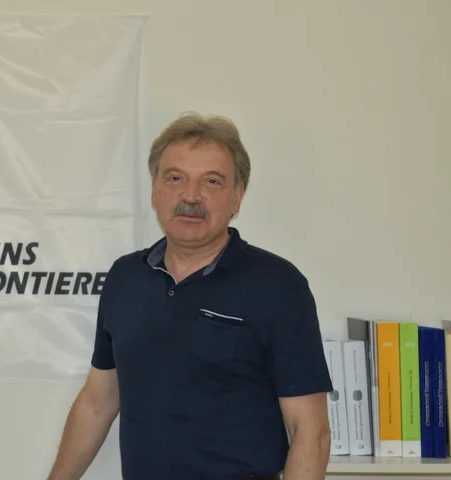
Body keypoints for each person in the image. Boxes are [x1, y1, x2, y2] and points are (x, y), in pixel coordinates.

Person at [46, 113, 333, 480]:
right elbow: (97, 403)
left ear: (236, 198)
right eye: (175, 178)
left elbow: (310, 431)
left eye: (212, 181)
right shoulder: (124, 278)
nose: (191, 195)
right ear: (155, 190)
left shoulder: (279, 286)